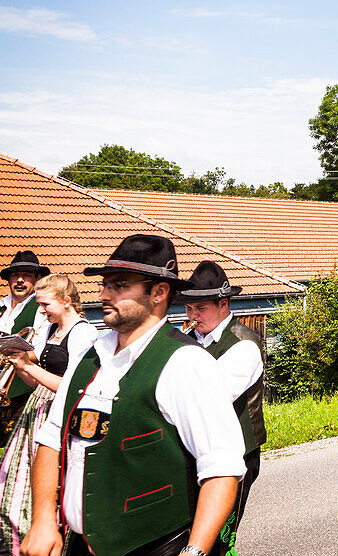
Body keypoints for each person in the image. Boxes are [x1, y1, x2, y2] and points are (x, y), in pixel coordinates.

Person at [23, 234, 245, 556]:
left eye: (118, 285)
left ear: (158, 292)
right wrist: (43, 518)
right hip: (80, 544)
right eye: (104, 285)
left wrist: (194, 552)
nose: (102, 294)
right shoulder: (90, 353)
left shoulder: (186, 362)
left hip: (155, 546)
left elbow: (222, 469)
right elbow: (52, 438)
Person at [0, 274, 96, 555]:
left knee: (53, 481)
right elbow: (37, 383)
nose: (42, 311)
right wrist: (20, 364)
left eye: (46, 305)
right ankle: (18, 539)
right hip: (38, 408)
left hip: (62, 411)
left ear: (67, 302)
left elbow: (74, 387)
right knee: (16, 477)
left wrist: (29, 368)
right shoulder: (50, 331)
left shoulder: (83, 333)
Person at [180, 260, 265, 555]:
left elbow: (212, 397)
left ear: (223, 304)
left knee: (218, 537)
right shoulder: (187, 340)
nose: (192, 316)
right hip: (194, 450)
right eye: (189, 309)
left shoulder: (244, 344)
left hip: (235, 453)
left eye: (200, 308)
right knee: (189, 529)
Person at [0, 252, 52, 442]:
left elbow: (42, 351)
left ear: (37, 279)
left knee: (13, 444)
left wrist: (8, 357)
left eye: (26, 275)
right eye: (15, 275)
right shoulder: (1, 306)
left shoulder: (41, 308)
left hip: (22, 390)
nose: (20, 280)